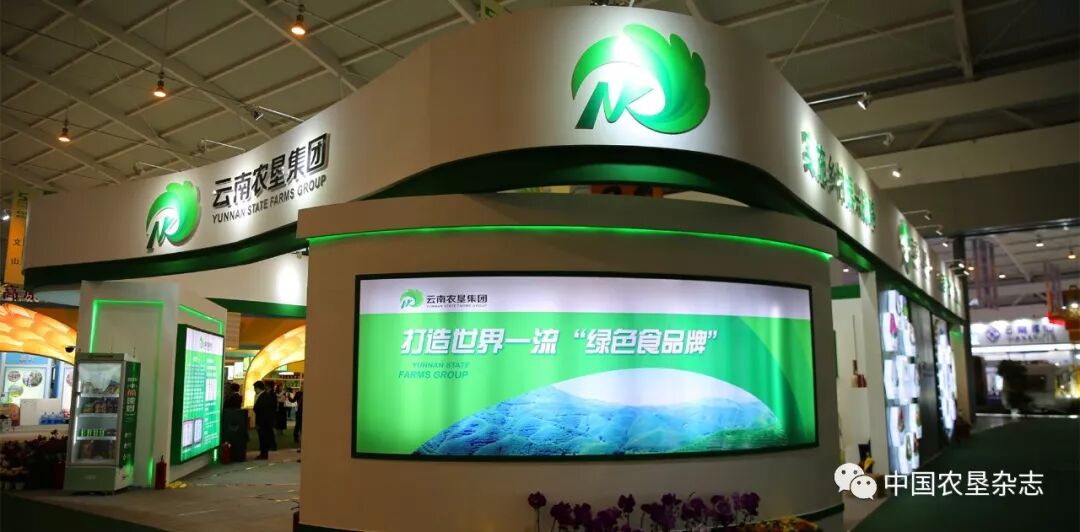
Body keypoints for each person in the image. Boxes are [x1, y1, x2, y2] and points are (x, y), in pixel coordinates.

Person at [253, 381, 277, 460]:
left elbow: (263, 412)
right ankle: (263, 454)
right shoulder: (265, 396)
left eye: (255, 388)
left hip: (263, 423)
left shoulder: (264, 397)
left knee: (263, 439)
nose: (254, 390)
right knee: (263, 438)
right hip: (265, 422)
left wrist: (259, 423)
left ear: (258, 388)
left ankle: (264, 454)